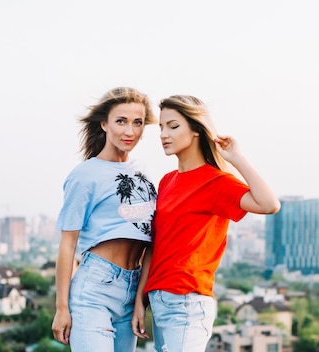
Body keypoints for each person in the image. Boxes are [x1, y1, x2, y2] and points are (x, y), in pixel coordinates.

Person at [132, 95, 281, 351]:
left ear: (196, 131)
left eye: (174, 126)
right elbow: (153, 247)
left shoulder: (216, 183)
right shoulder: (167, 182)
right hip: (160, 301)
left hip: (187, 303)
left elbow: (269, 204)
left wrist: (236, 157)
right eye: (161, 127)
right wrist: (139, 301)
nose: (164, 134)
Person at [51, 87, 158, 352]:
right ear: (104, 124)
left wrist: (139, 302)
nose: (129, 131)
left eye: (138, 122)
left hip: (131, 289)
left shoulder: (142, 171)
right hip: (95, 289)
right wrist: (62, 308)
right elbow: (68, 244)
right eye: (121, 121)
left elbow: (150, 240)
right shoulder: (85, 175)